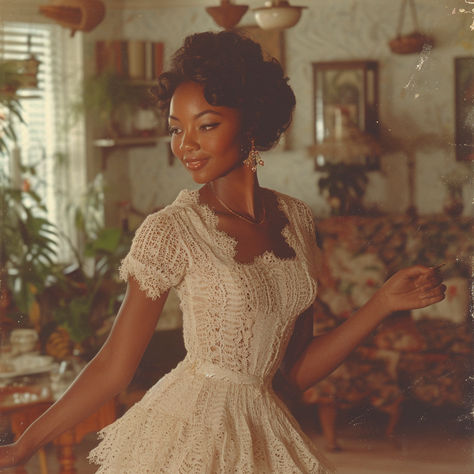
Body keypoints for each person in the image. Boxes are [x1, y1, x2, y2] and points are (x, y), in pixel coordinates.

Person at [0, 31, 445, 473]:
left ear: (250, 122)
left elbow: (295, 371)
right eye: (176, 129)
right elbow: (114, 368)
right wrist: (23, 446)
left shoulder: (298, 219)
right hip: (188, 429)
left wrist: (383, 303)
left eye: (206, 125)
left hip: (263, 427)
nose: (185, 145)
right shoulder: (170, 229)